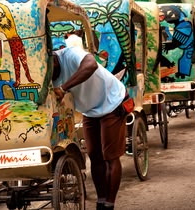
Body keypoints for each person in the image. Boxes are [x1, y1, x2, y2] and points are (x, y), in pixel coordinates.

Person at [52, 46, 129, 210]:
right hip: (90, 110)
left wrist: (64, 88)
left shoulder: (70, 53)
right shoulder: (46, 76)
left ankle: (109, 203)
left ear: (52, 57)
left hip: (112, 101)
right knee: (94, 155)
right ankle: (101, 201)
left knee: (111, 157)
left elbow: (91, 64)